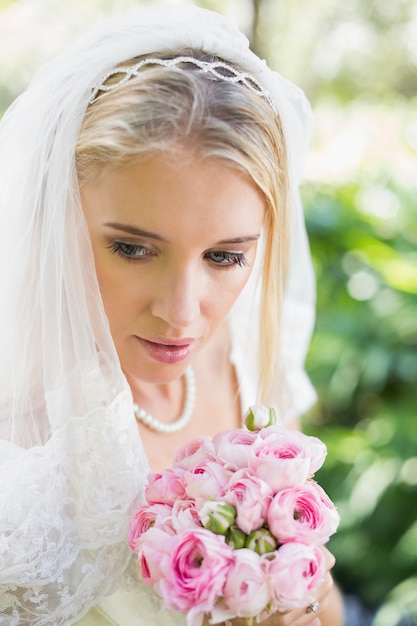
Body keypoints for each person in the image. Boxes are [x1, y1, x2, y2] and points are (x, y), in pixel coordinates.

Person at [0, 4, 344, 625]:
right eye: (133, 249)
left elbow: (325, 597)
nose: (181, 313)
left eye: (224, 257)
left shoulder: (249, 368)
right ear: (58, 218)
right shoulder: (19, 442)